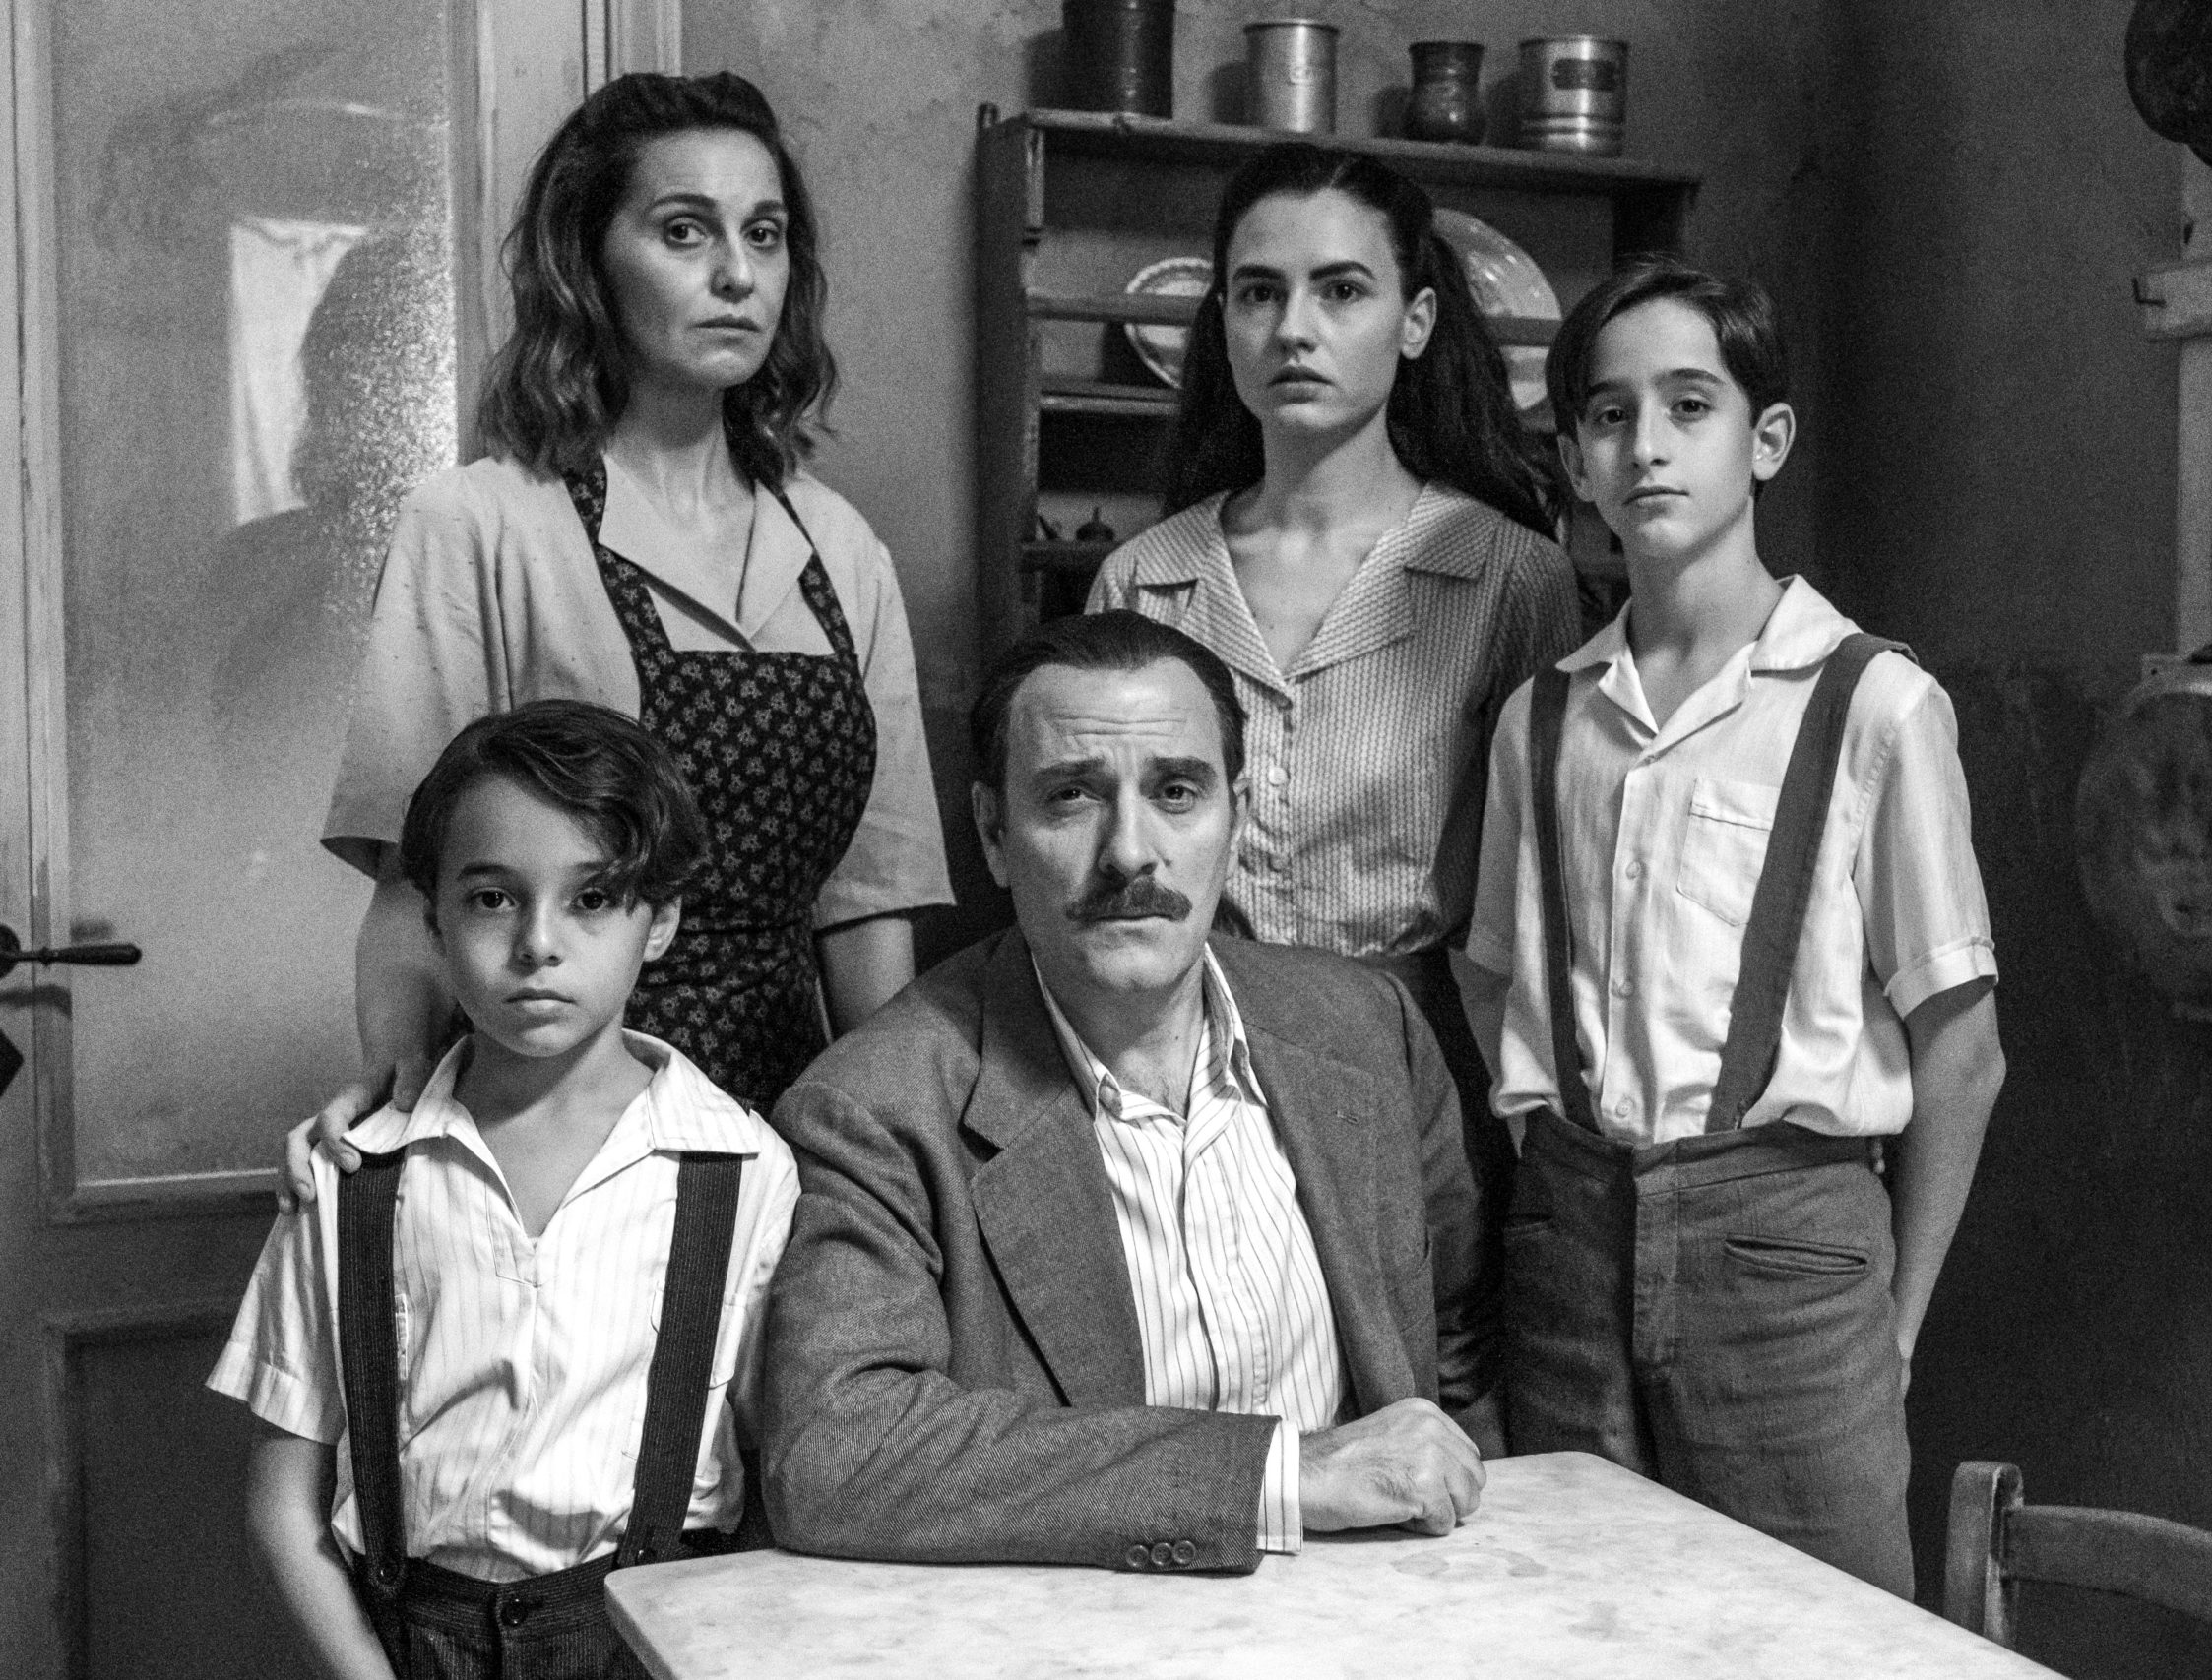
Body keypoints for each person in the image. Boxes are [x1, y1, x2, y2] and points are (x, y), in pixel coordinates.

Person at [1456, 259, 2006, 1598]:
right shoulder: (1543, 718)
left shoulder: (1873, 704)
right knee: (1580, 1613)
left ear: (1765, 440)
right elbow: (1490, 978)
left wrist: (1890, 1326)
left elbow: (1963, 1049)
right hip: (1571, 1235)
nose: (1645, 445)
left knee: (1819, 1626)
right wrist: (1572, 1171)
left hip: (1789, 1248)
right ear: (1574, 461)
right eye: (1608, 415)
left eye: (1688, 406)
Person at [288, 71, 949, 1170]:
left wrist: (893, 1156)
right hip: (556, 1120)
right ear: (588, 263)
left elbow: (867, 910)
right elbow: (415, 882)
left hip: (800, 1126)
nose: (737, 273)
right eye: (684, 231)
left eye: (765, 234)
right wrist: (400, 1104)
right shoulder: (480, 525)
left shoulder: (842, 549)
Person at [761, 611, 1498, 1573]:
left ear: (1236, 817)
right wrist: (1278, 1473)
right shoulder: (878, 1107)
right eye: (1071, 797)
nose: (1129, 853)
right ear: (993, 833)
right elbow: (838, 1452)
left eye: (1176, 792)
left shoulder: (1368, 1031)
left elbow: (1459, 1351)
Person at [210, 700, 799, 1679]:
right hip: (411, 1646)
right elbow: (281, 1504)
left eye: (592, 898)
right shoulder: (354, 1173)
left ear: (660, 921)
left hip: (657, 1640)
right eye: (492, 898)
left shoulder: (742, 1172)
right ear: (432, 922)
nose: (538, 943)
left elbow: (783, 1488)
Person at [1084, 142, 1583, 1203]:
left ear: (1416, 320)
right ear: (1222, 318)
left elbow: (1550, 895)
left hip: (1426, 1068)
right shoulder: (1144, 580)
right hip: (1185, 1062)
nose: (1293, 329)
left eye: (1342, 290)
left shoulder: (1506, 577)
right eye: (1259, 292)